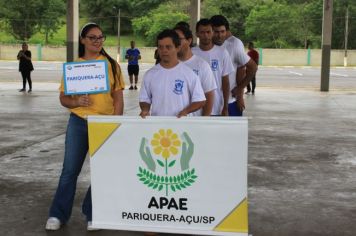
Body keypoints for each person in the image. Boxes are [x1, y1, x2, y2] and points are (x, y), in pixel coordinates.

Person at [45, 22, 125, 231]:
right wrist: (76, 102)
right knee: (69, 171)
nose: (97, 41)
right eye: (92, 37)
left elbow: (118, 98)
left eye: (100, 37)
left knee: (100, 171)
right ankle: (57, 214)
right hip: (78, 123)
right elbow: (63, 98)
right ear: (82, 40)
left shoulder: (112, 65)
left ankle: (93, 213)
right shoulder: (74, 67)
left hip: (103, 123)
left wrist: (114, 123)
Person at [139, 29, 206, 118]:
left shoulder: (189, 73)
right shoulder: (150, 74)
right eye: (160, 47)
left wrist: (185, 111)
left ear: (177, 48)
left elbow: (200, 100)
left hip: (182, 126)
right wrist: (145, 109)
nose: (164, 50)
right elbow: (144, 99)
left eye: (168, 47)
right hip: (158, 127)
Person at [210, 15, 257, 116]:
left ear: (227, 31)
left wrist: (240, 90)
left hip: (230, 102)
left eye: (222, 32)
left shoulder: (234, 45)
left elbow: (247, 67)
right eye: (216, 32)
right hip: (209, 105)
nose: (219, 35)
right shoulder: (201, 49)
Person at [192, 18, 234, 116]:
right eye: (202, 32)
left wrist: (225, 106)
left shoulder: (222, 53)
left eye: (208, 32)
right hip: (194, 108)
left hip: (216, 107)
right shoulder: (191, 53)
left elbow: (225, 82)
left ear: (212, 33)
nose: (205, 35)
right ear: (197, 34)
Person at [174, 24, 216, 116]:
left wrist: (204, 121)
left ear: (189, 41)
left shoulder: (202, 65)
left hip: (193, 122)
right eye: (173, 40)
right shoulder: (168, 65)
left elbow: (209, 95)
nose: (175, 43)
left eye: (178, 39)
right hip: (171, 123)